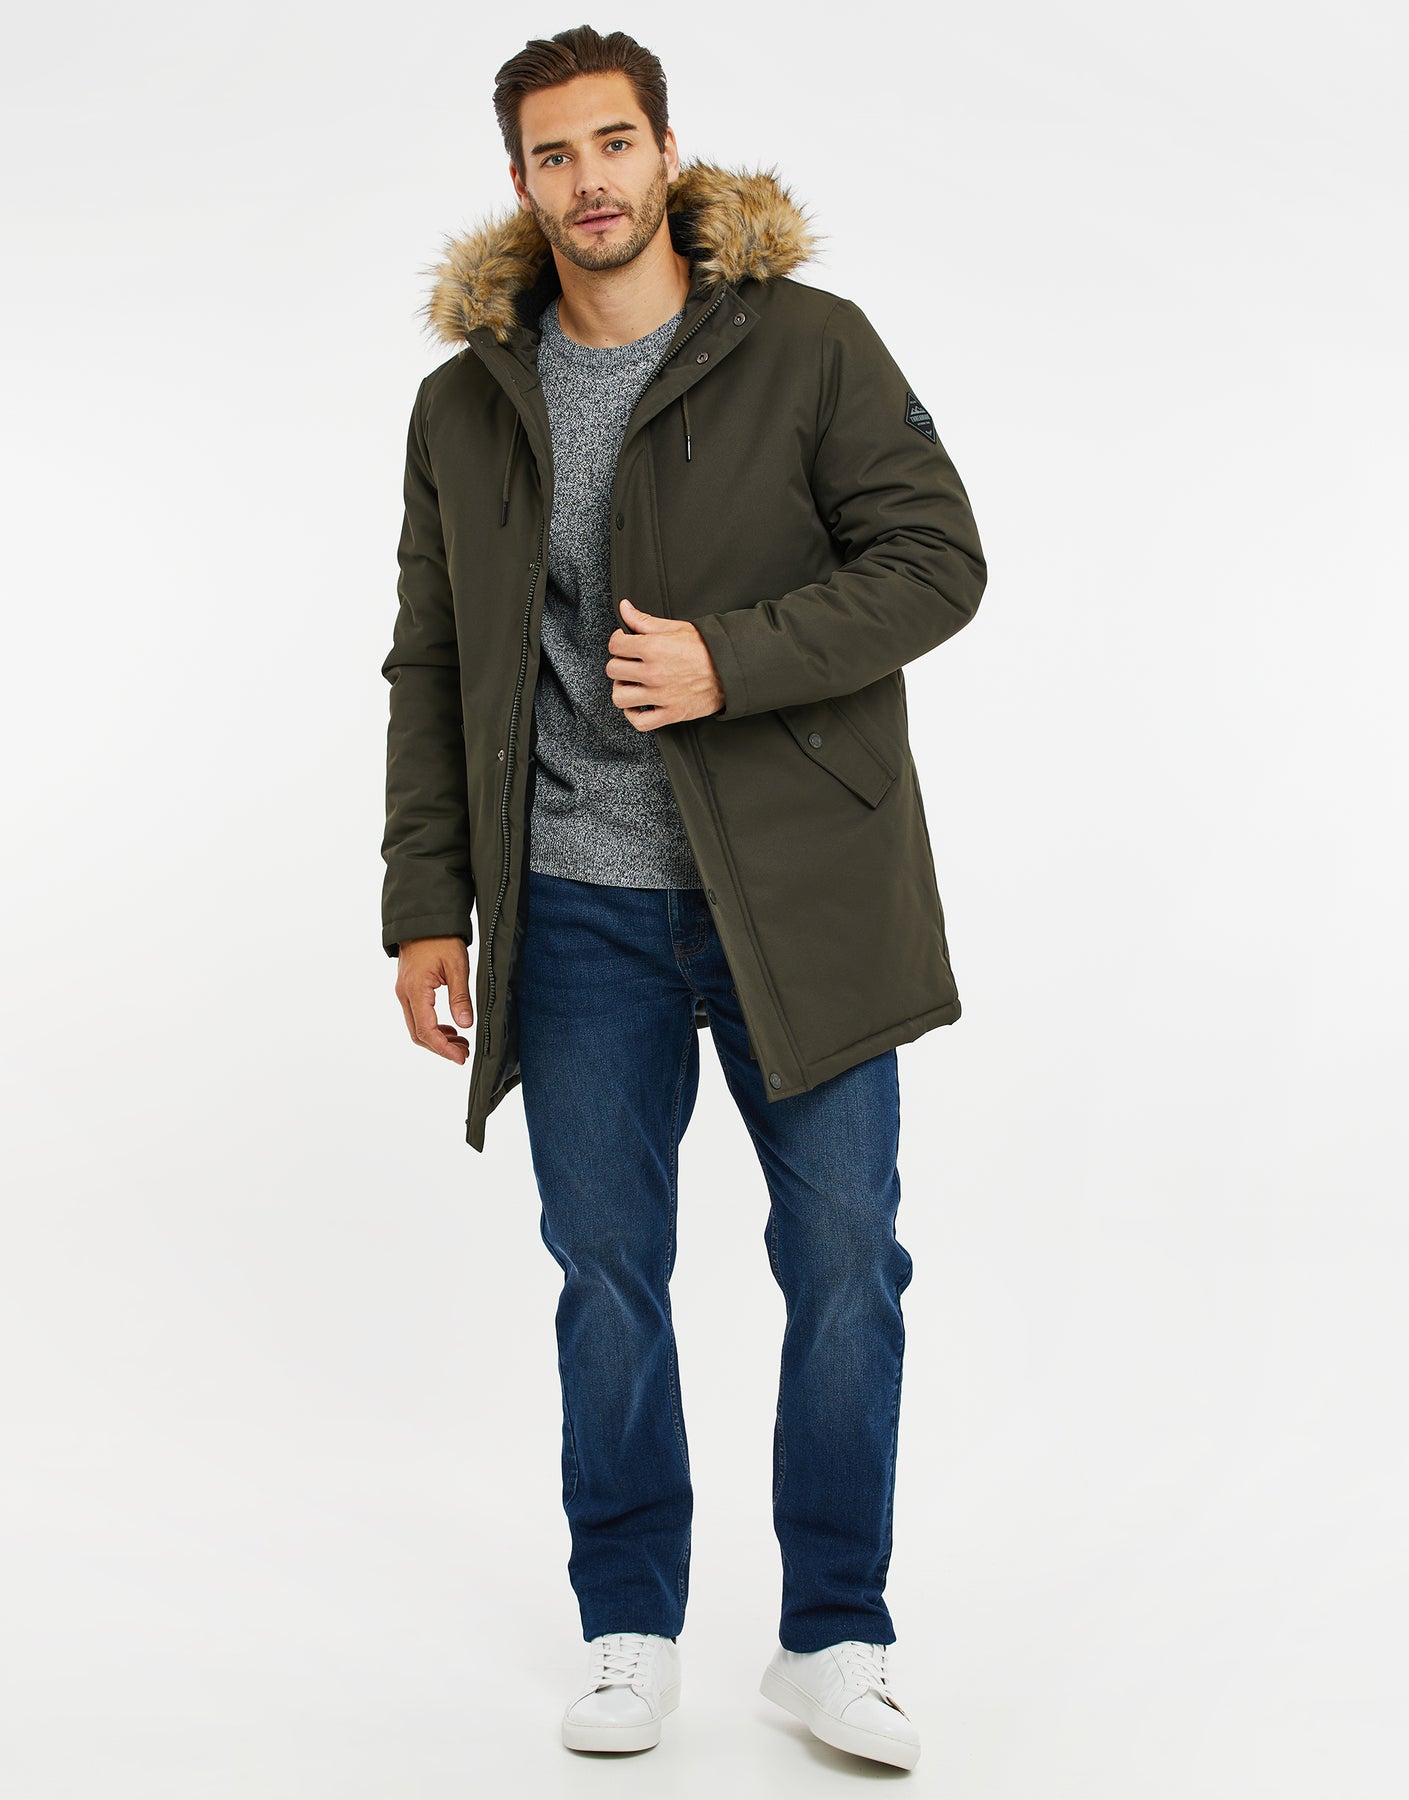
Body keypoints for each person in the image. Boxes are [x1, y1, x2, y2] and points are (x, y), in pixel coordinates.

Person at [379, 23, 986, 1771]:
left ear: (664, 150)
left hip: (795, 894)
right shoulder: (465, 404)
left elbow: (935, 562)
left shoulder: (807, 345)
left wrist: (733, 660)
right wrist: (426, 903)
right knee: (607, 1273)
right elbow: (433, 661)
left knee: (847, 1263)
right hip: (570, 908)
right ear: (518, 182)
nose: (590, 180)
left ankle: (834, 1636)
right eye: (553, 154)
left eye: (613, 142)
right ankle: (628, 1623)